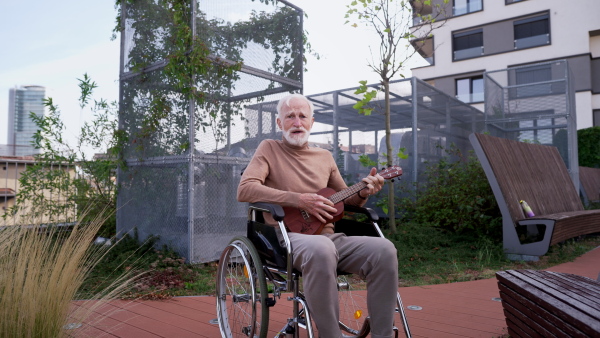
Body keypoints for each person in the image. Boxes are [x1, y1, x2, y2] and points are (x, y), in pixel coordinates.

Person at [237, 93, 398, 338]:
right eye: (290, 116)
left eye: (303, 116)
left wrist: (363, 192)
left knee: (385, 250)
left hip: (330, 239)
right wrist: (298, 199)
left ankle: (382, 335)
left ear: (312, 122)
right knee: (322, 248)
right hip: (288, 239)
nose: (297, 122)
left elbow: (347, 198)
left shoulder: (325, 157)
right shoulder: (269, 149)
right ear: (280, 123)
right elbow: (245, 189)